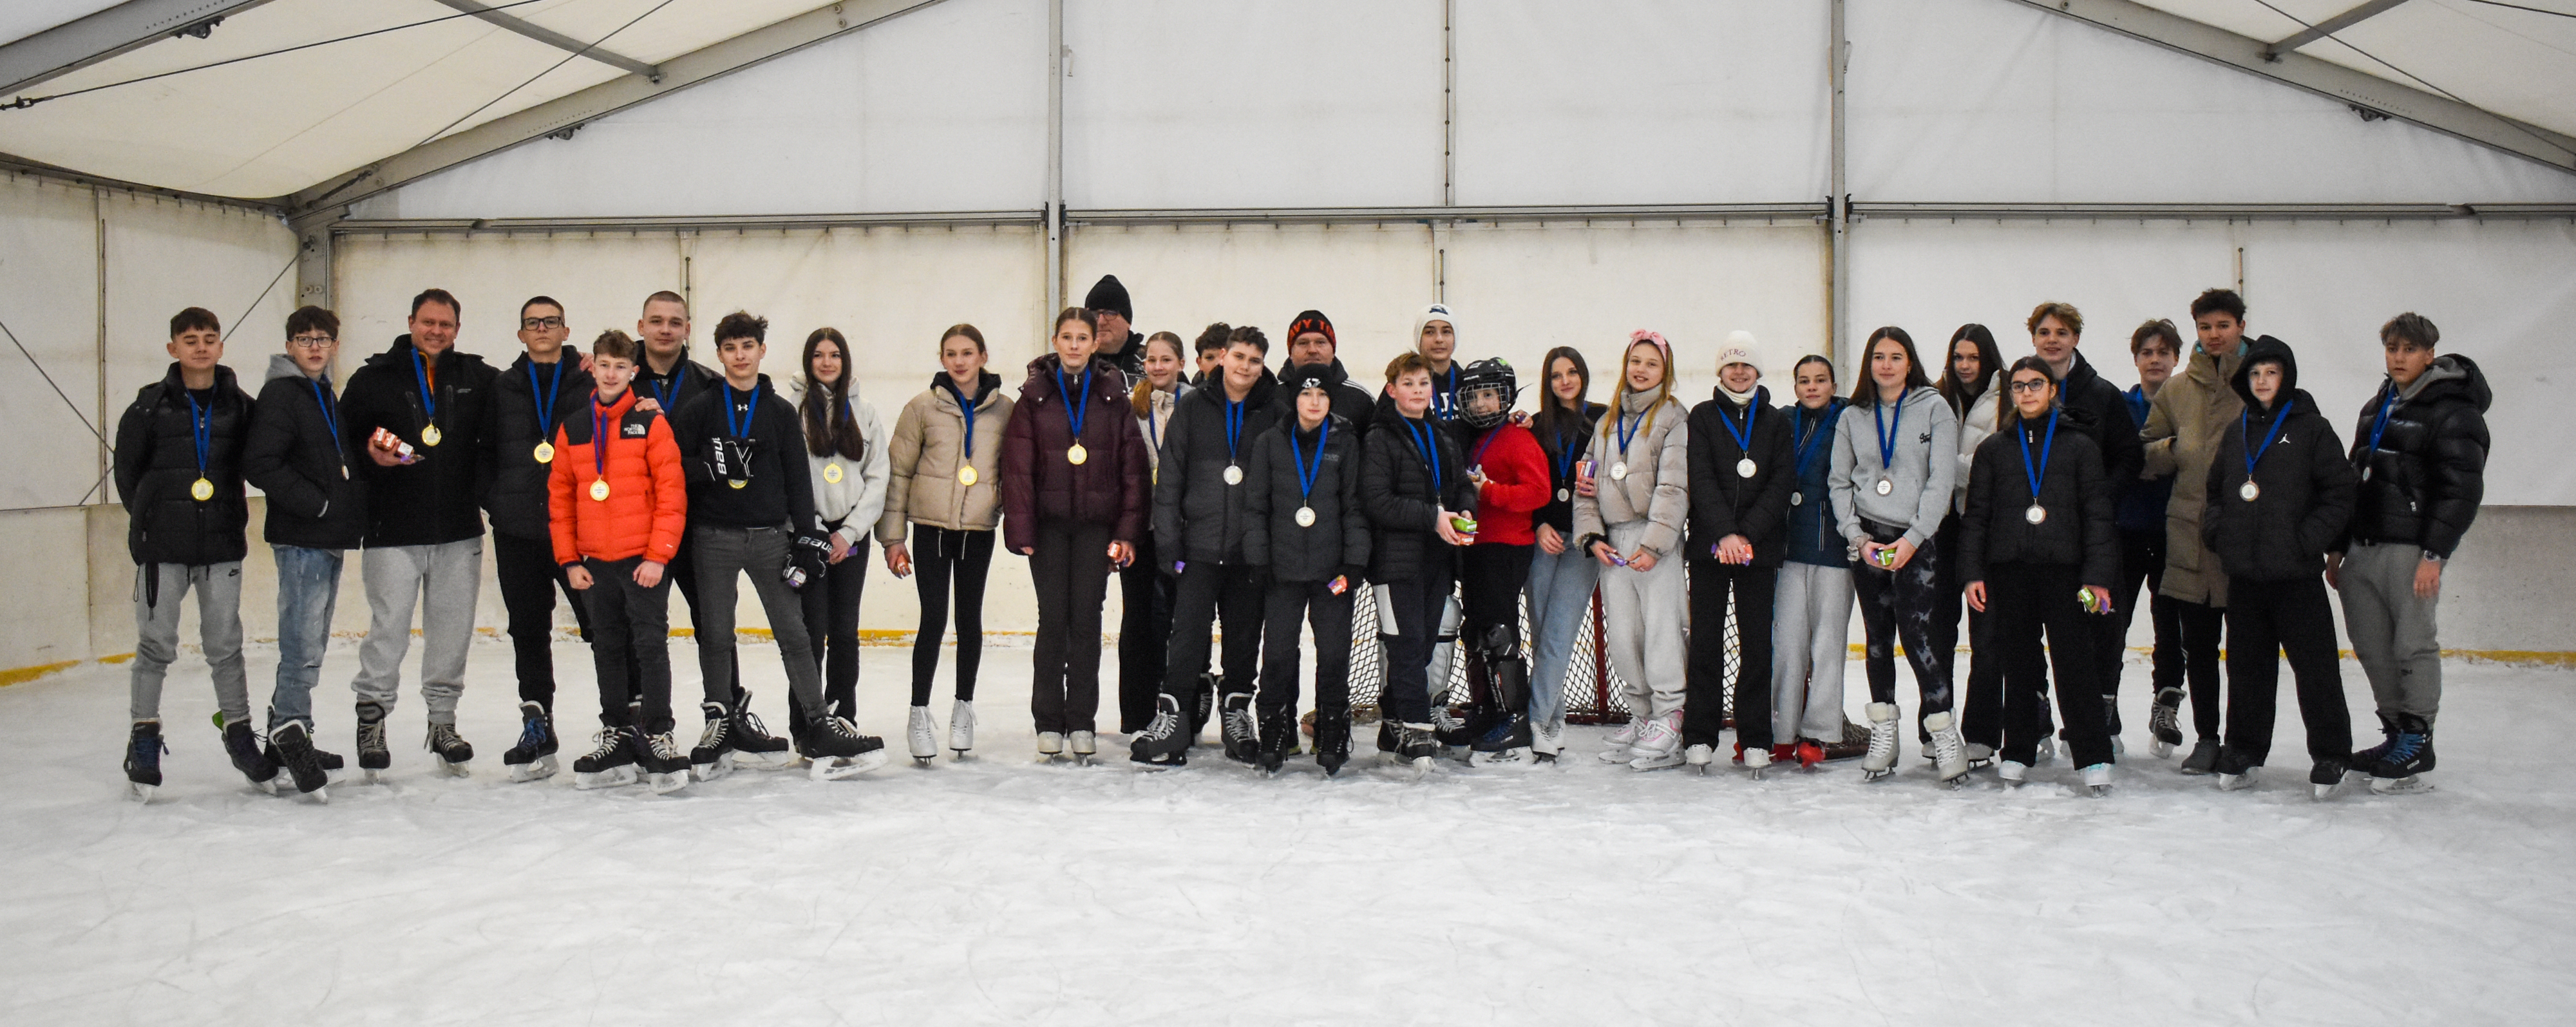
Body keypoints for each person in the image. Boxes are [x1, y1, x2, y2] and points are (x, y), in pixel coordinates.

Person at [670, 310, 887, 780]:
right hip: (713, 538)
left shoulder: (780, 411)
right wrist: (706, 465)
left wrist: (807, 537)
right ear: (720, 353)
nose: (740, 355)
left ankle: (819, 721)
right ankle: (720, 721)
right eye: (730, 348)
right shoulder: (701, 408)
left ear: (762, 350)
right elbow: (672, 466)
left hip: (771, 538)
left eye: (748, 346)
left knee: (795, 633)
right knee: (716, 632)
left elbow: (797, 477)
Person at [338, 288, 495, 780]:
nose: (437, 331)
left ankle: (443, 723)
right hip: (392, 529)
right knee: (388, 629)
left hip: (458, 529)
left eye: (446, 324)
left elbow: (523, 401)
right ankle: (372, 721)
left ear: (457, 328)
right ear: (411, 322)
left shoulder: (478, 377)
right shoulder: (372, 378)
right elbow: (342, 439)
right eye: (428, 322)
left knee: (451, 632)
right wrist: (370, 453)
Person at [2330, 312, 2488, 795]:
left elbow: (2460, 490)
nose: (2398, 357)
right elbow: (2354, 475)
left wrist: (2434, 554)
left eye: (2409, 349)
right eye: (2392, 348)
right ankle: (2396, 732)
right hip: (2364, 546)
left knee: (2412, 644)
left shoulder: (2454, 411)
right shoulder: (2379, 404)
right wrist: (2339, 547)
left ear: (2430, 353)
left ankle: (2419, 739)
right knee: (2373, 645)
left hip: (2411, 550)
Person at [115, 307, 265, 801]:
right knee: (155, 645)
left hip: (220, 546)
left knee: (226, 645)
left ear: (221, 347)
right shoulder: (148, 408)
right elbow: (128, 474)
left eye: (209, 338)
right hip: (163, 551)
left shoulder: (240, 407)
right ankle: (143, 734)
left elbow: (260, 461)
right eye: (190, 339)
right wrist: (150, 522)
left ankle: (240, 732)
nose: (200, 346)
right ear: (172, 348)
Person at [2201, 337, 2356, 797]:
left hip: (2296, 576)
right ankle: (2245, 748)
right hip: (2246, 576)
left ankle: (2330, 753)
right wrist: (2219, 531)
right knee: (2247, 668)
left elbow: (2340, 492)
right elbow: (2215, 492)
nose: (2263, 381)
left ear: (2286, 377)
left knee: (2316, 669)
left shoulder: (2312, 428)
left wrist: (2307, 539)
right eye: (2255, 374)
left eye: (2271, 372)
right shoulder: (2237, 429)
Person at [1958, 357, 2119, 793]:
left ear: (2052, 390)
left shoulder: (2079, 446)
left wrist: (2098, 576)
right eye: (2019, 386)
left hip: (2065, 573)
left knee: (2075, 664)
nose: (2027, 392)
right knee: (2019, 665)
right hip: (2010, 571)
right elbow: (1977, 517)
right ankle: (2017, 750)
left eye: (2036, 384)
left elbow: (2098, 516)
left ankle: (2093, 756)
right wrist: (1973, 572)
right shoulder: (1994, 449)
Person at [999, 308, 1150, 762]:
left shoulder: (1113, 394)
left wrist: (1126, 531)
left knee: (1086, 620)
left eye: (1082, 337)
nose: (1074, 346)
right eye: (1066, 337)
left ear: (1093, 343)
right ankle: (1048, 721)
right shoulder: (1034, 395)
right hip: (1047, 526)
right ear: (1055, 340)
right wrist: (1021, 526)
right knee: (1053, 620)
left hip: (1094, 526)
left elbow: (1132, 468)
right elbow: (1018, 465)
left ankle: (1082, 719)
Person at [1130, 326, 1283, 767]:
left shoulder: (1274, 409)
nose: (1244, 366)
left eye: (1255, 360)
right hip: (1196, 546)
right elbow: (1171, 478)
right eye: (1238, 356)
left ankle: (1237, 716)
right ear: (1222, 358)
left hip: (1248, 550)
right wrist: (1169, 542)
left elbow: (1283, 480)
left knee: (1243, 638)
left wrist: (1269, 545)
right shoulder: (1194, 406)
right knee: (1186, 638)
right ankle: (1173, 720)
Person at [547, 330, 692, 794]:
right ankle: (616, 731)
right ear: (594, 368)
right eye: (604, 365)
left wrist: (657, 556)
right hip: (595, 563)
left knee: (650, 645)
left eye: (620, 366)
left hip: (642, 561)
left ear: (634, 371)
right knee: (606, 645)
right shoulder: (573, 426)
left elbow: (672, 495)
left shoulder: (651, 422)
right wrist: (570, 560)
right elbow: (561, 498)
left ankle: (658, 732)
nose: (611, 373)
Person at [1830, 326, 1965, 784]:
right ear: (1869, 364)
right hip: (1866, 540)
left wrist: (1912, 539)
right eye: (1878, 356)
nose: (1886, 364)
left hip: (1916, 540)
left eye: (1896, 356)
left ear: (1910, 362)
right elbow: (1840, 481)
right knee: (1876, 638)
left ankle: (1945, 732)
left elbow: (1940, 482)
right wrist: (1857, 537)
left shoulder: (1935, 409)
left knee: (1920, 637)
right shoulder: (1853, 416)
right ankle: (1884, 734)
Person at [2141, 288, 2264, 771]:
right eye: (2206, 327)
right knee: (2200, 647)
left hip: (2244, 537)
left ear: (2240, 326)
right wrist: (2178, 449)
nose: (2215, 335)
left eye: (2223, 326)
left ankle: (2243, 740)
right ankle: (2208, 736)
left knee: (2248, 649)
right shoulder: (2176, 389)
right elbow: (2145, 449)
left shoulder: (2261, 380)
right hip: (2188, 535)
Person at [242, 305, 362, 797]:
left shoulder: (321, 393)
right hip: (303, 537)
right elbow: (260, 462)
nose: (315, 346)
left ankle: (291, 733)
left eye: (323, 338)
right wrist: (316, 505)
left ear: (335, 345)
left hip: (326, 536)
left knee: (310, 642)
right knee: (301, 642)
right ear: (289, 345)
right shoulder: (281, 394)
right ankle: (289, 727)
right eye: (304, 338)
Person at [878, 325, 1011, 762]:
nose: (959, 361)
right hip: (931, 527)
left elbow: (1015, 471)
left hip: (978, 528)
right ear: (941, 357)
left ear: (983, 355)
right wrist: (893, 537)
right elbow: (898, 474)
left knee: (969, 618)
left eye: (968, 353)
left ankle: (963, 708)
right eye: (951, 353)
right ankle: (919, 713)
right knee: (933, 618)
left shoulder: (1005, 410)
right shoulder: (921, 408)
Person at [481, 296, 596, 783]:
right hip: (519, 529)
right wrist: (496, 503)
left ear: (566, 331)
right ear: (521, 334)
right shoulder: (501, 387)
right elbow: (481, 449)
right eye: (533, 323)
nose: (542, 328)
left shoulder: (591, 380)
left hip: (580, 530)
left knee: (603, 624)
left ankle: (624, 721)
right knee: (528, 628)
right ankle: (536, 724)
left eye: (551, 321)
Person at [1240, 361, 1371, 775]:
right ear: (1293, 398)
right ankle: (1276, 730)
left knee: (1334, 653)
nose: (1314, 402)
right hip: (1283, 572)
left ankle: (1332, 729)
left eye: (1322, 395)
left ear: (1331, 400)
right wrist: (1259, 559)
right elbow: (1256, 507)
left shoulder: (1346, 443)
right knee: (1278, 653)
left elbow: (1354, 506)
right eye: (1305, 394)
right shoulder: (1270, 443)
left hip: (1332, 572)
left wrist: (1355, 561)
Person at [2025, 302, 2145, 751]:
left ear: (2076, 337)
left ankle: (2097, 724)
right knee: (2033, 628)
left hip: (2090, 540)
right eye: (2044, 331)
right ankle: (2036, 719)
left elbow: (2129, 456)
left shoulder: (2103, 394)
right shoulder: (2018, 389)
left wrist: (2097, 502)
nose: (2052, 339)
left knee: (2099, 628)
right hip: (2034, 540)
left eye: (2062, 331)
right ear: (2033, 338)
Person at [1576, 332, 1692, 771]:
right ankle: (1642, 714)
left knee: (1662, 629)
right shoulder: (1607, 423)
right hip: (1615, 540)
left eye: (1652, 364)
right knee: (1624, 634)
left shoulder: (1672, 418)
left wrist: (1655, 544)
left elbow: (1673, 486)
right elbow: (1586, 486)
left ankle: (1671, 718)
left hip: (1653, 540)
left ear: (1666, 373)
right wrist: (1592, 536)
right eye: (1635, 361)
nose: (1641, 370)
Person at [1681, 333, 1796, 776]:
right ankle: (1699, 736)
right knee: (1706, 642)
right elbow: (1701, 478)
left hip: (1758, 551)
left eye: (1747, 365)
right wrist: (1726, 534)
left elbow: (1780, 483)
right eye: (1731, 365)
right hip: (1711, 547)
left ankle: (1755, 738)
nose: (1739, 371)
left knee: (1757, 646)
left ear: (1758, 371)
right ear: (1720, 370)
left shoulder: (1776, 422)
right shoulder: (1703, 416)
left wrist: (1746, 536)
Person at [1359, 352, 1477, 773]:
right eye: (1408, 383)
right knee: (1405, 646)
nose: (1418, 390)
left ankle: (1393, 725)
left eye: (1424, 383)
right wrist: (1432, 517)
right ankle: (1416, 728)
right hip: (1395, 562)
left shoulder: (1441, 434)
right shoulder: (1379, 438)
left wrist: (1465, 512)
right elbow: (1377, 500)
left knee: (1425, 644)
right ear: (1391, 390)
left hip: (1436, 558)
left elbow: (1461, 484)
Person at [630, 290, 733, 703]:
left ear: (687, 329)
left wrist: (681, 460)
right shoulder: (618, 380)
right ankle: (642, 723)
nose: (666, 329)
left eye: (675, 322)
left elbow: (720, 461)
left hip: (698, 525)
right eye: (656, 321)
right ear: (641, 327)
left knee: (715, 626)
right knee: (640, 629)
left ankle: (726, 714)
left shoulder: (711, 386)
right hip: (638, 527)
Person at [790, 328, 889, 755]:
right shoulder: (791, 409)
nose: (827, 362)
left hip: (851, 540)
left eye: (834, 355)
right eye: (818, 355)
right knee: (809, 633)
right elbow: (789, 475)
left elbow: (878, 476)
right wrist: (812, 530)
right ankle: (807, 724)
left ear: (845, 361)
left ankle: (843, 713)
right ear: (808, 361)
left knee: (845, 631)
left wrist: (849, 533)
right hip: (808, 538)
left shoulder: (864, 412)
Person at [1452, 356, 1551, 765]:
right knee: (1474, 630)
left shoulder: (1518, 439)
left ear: (1506, 398)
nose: (1481, 404)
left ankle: (1515, 719)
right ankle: (1487, 709)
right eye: (1474, 397)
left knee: (1498, 630)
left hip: (1506, 547)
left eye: (1489, 395)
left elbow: (1538, 492)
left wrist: (1490, 492)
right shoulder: (1473, 438)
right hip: (1477, 546)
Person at [1772, 355, 1863, 765]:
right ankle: (1781, 731)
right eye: (1804, 381)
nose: (1812, 387)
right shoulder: (1783, 422)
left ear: (1833, 385)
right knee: (1788, 644)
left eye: (1820, 380)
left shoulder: (1848, 419)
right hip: (1789, 552)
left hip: (1833, 553)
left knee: (1828, 645)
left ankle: (1820, 733)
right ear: (1794, 387)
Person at [1522, 346, 1606, 762]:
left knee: (1558, 632)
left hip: (1583, 539)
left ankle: (1536, 722)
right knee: (1541, 632)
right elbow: (1529, 481)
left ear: (1584, 374)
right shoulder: (1537, 425)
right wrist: (1539, 523)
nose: (1565, 381)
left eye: (1572, 372)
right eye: (1556, 375)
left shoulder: (1605, 420)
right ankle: (1555, 723)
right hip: (1544, 538)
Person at [2116, 320, 2187, 760]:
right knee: (2111, 623)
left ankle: (2166, 706)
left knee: (2171, 625)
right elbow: (2117, 458)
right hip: (2124, 529)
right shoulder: (2120, 406)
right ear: (2136, 358)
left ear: (2176, 358)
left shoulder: (2189, 404)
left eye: (2164, 352)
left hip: (2173, 531)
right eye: (2147, 352)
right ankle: (2105, 706)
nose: (2155, 359)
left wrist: (2151, 462)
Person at [1934, 324, 2004, 766]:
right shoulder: (1936, 399)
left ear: (1988, 359)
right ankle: (1936, 723)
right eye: (1959, 356)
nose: (1965, 365)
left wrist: (1946, 468)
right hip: (1941, 526)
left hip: (1987, 527)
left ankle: (1981, 732)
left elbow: (1994, 466)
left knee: (1988, 634)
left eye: (1973, 357)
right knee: (1937, 630)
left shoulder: (2008, 398)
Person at [1118, 330, 1189, 735]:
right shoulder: (1132, 408)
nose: (1158, 366)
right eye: (1151, 360)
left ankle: (1177, 710)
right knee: (1139, 620)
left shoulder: (1194, 405)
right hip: (1142, 530)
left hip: (1181, 533)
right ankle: (1136, 712)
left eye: (1166, 359)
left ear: (1181, 363)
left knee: (1178, 622)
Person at [1279, 310, 1378, 429]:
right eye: (1303, 343)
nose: (1312, 350)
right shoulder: (1272, 394)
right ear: (1291, 352)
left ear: (1333, 351)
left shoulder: (1360, 399)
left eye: (1320, 342)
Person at [1086, 274, 1144, 381]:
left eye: (1110, 313)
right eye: (1094, 315)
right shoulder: (1075, 360)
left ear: (1128, 321)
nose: (1101, 322)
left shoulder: (1154, 362)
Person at [1190, 323, 1231, 387]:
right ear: (1199, 363)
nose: (1218, 363)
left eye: (1224, 356)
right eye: (1210, 358)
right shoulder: (1190, 396)